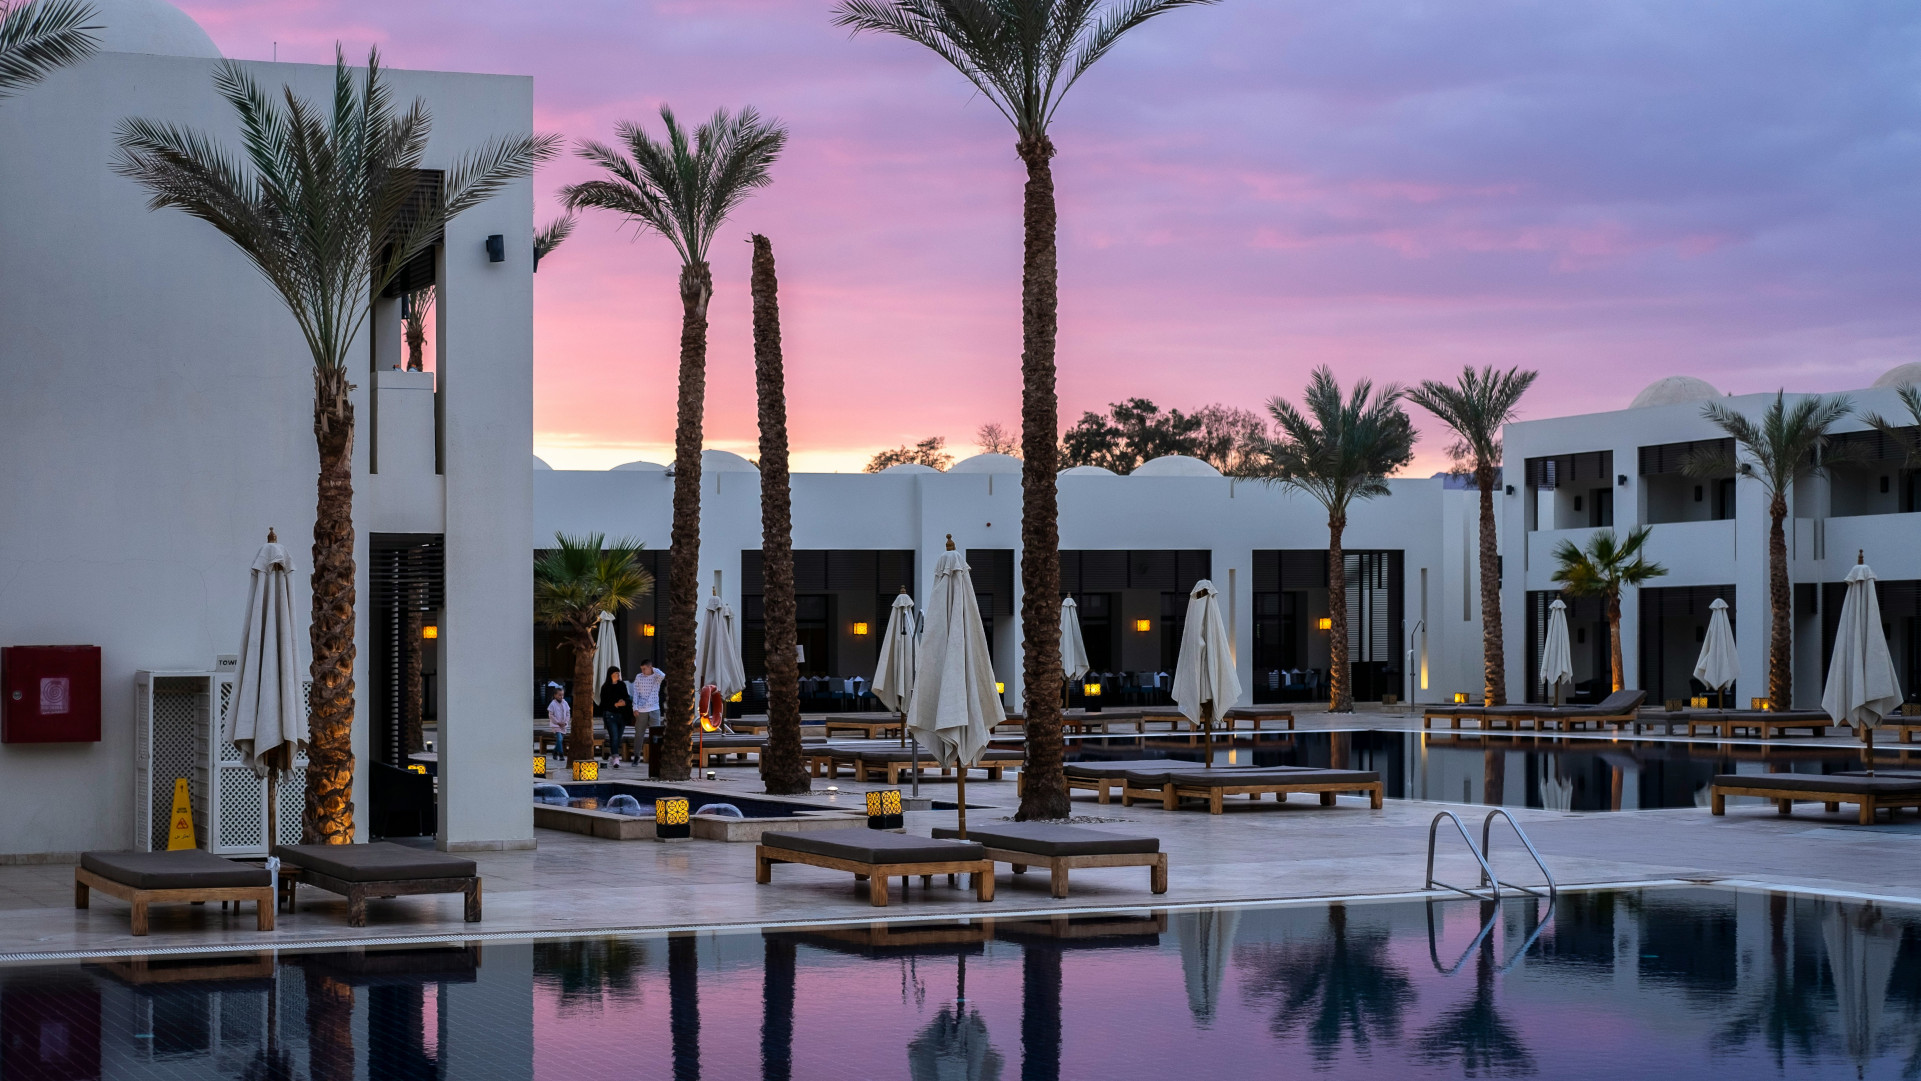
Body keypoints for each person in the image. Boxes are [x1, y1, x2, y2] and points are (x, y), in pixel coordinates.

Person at [599, 666, 632, 768]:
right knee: (614, 736)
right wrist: (615, 704)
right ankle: (616, 757)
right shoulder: (605, 687)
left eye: (618, 673)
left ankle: (614, 755)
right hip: (610, 715)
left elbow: (627, 697)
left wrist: (624, 702)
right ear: (611, 675)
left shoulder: (622, 685)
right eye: (616, 673)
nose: (618, 675)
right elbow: (604, 703)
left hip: (621, 715)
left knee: (618, 737)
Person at [545, 683, 569, 761]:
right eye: (559, 695)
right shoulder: (552, 704)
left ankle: (555, 752)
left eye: (562, 695)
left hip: (563, 725)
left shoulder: (565, 703)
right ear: (555, 695)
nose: (561, 697)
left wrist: (565, 722)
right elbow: (551, 715)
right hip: (556, 725)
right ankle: (561, 754)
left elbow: (568, 713)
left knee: (560, 739)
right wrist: (557, 722)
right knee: (559, 739)